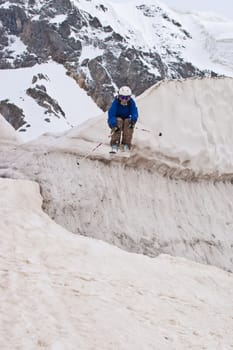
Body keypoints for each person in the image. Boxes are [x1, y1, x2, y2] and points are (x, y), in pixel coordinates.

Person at [107, 86, 138, 153]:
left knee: (128, 122)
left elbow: (134, 112)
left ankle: (125, 145)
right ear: (119, 97)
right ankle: (115, 144)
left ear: (129, 97)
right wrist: (113, 125)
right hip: (115, 121)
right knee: (119, 121)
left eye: (127, 98)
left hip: (126, 119)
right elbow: (111, 114)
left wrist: (133, 120)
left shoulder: (131, 102)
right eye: (122, 97)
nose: (124, 100)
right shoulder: (116, 102)